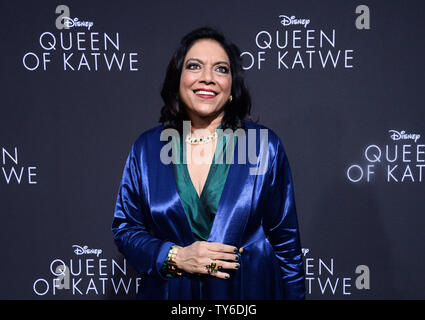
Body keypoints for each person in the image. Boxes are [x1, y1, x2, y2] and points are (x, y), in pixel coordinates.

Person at [111, 27, 305, 300]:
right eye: (194, 66)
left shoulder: (260, 145)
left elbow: (286, 243)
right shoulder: (149, 148)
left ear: (232, 87)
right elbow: (126, 229)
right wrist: (175, 256)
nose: (207, 78)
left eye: (221, 69)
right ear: (177, 80)